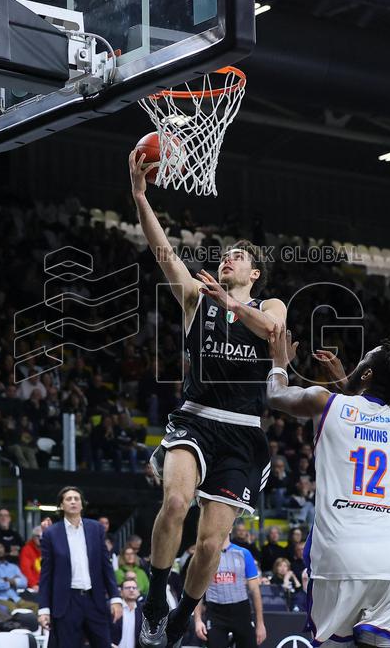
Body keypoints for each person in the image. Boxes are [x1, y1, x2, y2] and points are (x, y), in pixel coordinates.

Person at [130, 153, 287, 647]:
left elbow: (274, 330)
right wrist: (140, 195)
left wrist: (233, 304)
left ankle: (186, 614)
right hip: (197, 420)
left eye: (239, 256)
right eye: (225, 254)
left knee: (211, 547)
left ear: (255, 274)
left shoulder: (268, 304)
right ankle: (157, 596)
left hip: (242, 431)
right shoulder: (198, 297)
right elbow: (163, 254)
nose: (228, 258)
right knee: (175, 500)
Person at [266, 331, 390, 648]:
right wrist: (350, 380)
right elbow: (368, 409)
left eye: (364, 359)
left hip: (338, 561)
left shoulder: (323, 401)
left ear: (366, 373)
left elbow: (275, 395)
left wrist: (279, 363)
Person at [37, 486, 122, 648]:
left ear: (82, 505)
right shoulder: (51, 534)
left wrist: (115, 598)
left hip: (94, 599)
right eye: (68, 499)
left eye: (77, 498)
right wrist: (43, 609)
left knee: (104, 643)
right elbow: (46, 575)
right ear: (61, 506)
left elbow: (106, 566)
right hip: (67, 602)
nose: (73, 502)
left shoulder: (95, 529)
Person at [192, 533, 265, 648]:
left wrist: (260, 624)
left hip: (241, 611)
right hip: (215, 612)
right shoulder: (205, 556)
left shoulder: (244, 553)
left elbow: (255, 591)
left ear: (231, 528)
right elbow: (197, 591)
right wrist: (197, 620)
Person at [0, 541, 35, 611]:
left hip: (16, 599)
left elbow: (24, 582)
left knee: (36, 607)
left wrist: (9, 580)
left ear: (5, 550)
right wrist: (13, 581)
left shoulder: (13, 567)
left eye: (0, 547)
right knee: (14, 609)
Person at [112, 579, 144, 648]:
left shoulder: (142, 610)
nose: (131, 590)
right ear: (121, 592)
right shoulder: (113, 607)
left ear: (138, 591)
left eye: (134, 588)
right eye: (127, 588)